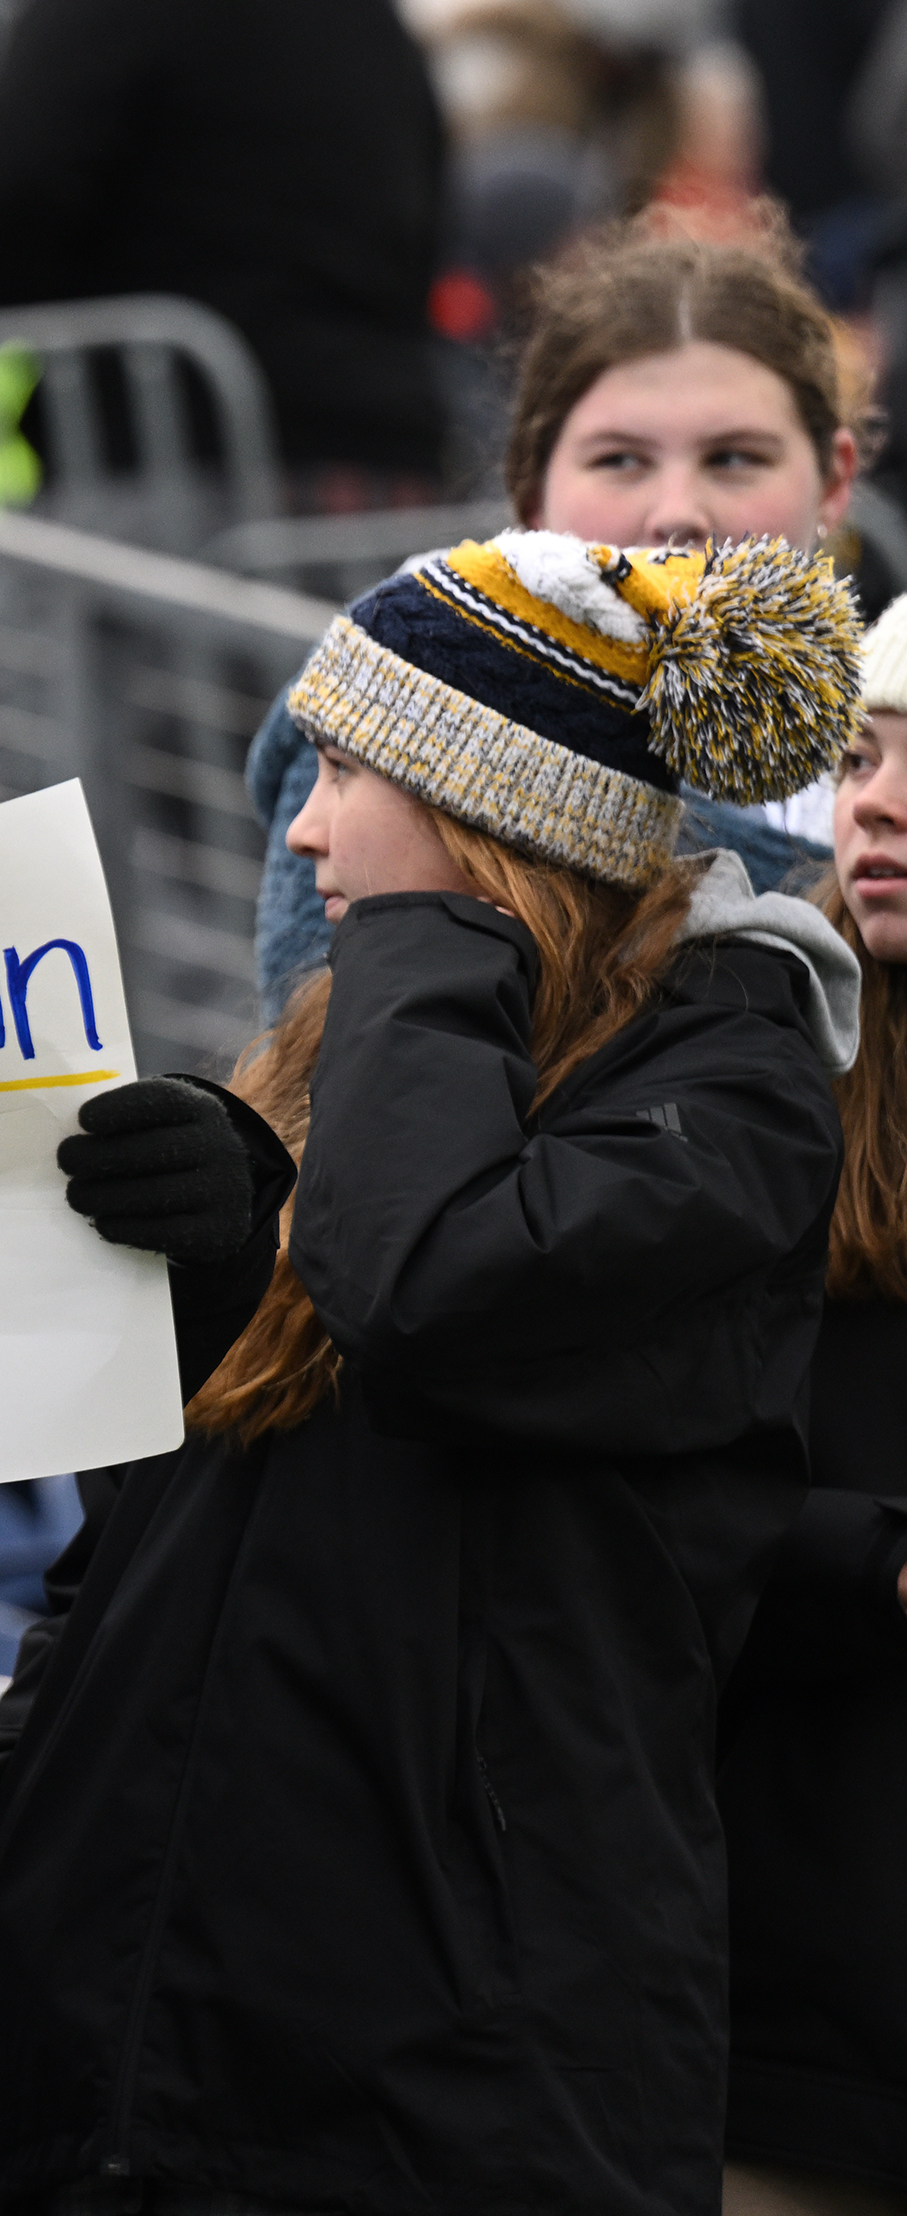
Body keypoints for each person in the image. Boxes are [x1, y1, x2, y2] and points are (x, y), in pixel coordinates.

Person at [0, 527, 860, 2212]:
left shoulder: (732, 1099)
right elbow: (186, 1543)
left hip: (452, 2114)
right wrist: (37, 1783)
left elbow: (433, 1287)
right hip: (147, 2071)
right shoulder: (340, 1067)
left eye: (351, 769)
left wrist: (429, 940)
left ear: (488, 812)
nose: (302, 825)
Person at [250, 218, 866, 1017]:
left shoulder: (887, 712)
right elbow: (323, 1033)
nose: (677, 513)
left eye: (736, 458)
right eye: (619, 460)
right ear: (530, 489)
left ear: (833, 481)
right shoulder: (404, 685)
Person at [715, 590, 907, 2216]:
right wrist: (882, 1566)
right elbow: (634, 1504)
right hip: (795, 2032)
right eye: (857, 754)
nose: (880, 800)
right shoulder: (745, 1071)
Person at [0, 0, 448, 497]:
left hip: (168, 445)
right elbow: (429, 205)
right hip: (381, 456)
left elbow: (10, 192)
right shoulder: (371, 21)